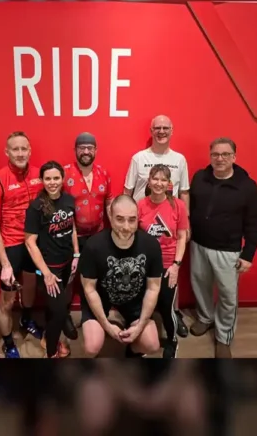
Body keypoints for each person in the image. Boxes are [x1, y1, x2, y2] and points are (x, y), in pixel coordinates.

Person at [188, 137, 257, 358]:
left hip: (228, 250)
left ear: (234, 157)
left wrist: (248, 254)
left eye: (225, 154)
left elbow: (255, 222)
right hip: (198, 244)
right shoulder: (199, 178)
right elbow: (190, 207)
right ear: (210, 156)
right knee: (200, 284)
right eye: (215, 154)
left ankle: (223, 337)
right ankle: (205, 317)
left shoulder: (247, 187)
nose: (219, 158)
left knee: (228, 296)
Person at [123, 114, 190, 338]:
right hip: (142, 228)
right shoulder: (138, 158)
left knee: (170, 279)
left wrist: (186, 223)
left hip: (170, 226)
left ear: (172, 130)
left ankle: (173, 314)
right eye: (157, 128)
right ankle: (141, 319)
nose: (161, 131)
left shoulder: (180, 160)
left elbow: (184, 192)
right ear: (151, 131)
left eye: (165, 128)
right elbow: (127, 192)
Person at [79, 194, 163, 357]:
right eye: (120, 219)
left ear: (138, 218)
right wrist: (107, 326)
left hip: (134, 297)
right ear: (110, 217)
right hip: (101, 296)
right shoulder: (93, 246)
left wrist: (139, 327)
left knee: (152, 345)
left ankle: (133, 351)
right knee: (92, 347)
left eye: (131, 220)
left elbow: (153, 288)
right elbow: (89, 289)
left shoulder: (151, 245)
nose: (126, 226)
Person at [0, 131, 45, 358]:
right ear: (7, 152)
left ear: (30, 151)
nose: (20, 153)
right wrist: (4, 263)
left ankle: (26, 319)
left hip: (33, 244)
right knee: (7, 300)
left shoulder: (40, 175)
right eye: (15, 149)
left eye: (24, 149)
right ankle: (9, 342)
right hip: (10, 245)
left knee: (30, 286)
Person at [24, 161, 80, 358]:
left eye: (56, 178)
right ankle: (51, 353)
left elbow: (72, 228)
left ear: (62, 179)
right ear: (42, 180)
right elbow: (30, 242)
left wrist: (76, 254)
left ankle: (48, 337)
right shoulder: (36, 207)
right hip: (49, 269)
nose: (52, 182)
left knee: (57, 306)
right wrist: (46, 274)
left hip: (67, 263)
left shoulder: (69, 200)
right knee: (58, 313)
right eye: (48, 178)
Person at [62, 131, 114, 337]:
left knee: (94, 277)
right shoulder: (65, 174)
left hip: (98, 235)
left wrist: (115, 228)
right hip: (70, 236)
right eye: (82, 148)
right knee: (69, 277)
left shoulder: (104, 173)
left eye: (89, 148)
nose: (86, 151)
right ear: (75, 150)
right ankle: (64, 315)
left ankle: (91, 315)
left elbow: (109, 202)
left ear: (96, 150)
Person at [74, 360, 213, 436]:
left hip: (167, 379)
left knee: (191, 402)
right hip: (118, 380)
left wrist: (169, 389)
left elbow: (186, 363)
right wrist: (130, 393)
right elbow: (103, 362)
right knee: (94, 400)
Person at [137, 165, 189, 358]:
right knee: (144, 306)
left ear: (169, 183)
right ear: (149, 181)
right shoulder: (140, 205)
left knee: (167, 307)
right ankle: (142, 340)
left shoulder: (178, 205)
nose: (159, 183)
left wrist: (176, 265)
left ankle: (172, 341)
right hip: (146, 265)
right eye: (155, 179)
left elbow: (182, 237)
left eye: (163, 180)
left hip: (168, 265)